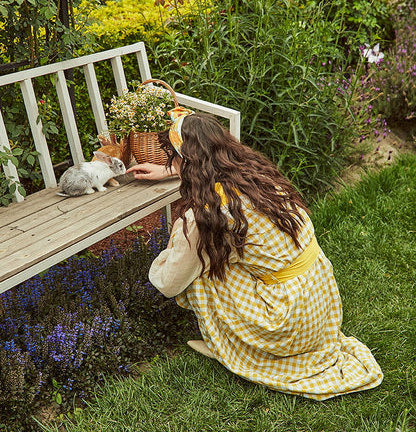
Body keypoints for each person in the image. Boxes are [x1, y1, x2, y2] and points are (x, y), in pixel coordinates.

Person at [127, 108, 383, 401]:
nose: (170, 163)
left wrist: (174, 241)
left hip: (287, 322)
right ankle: (239, 335)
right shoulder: (254, 175)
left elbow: (168, 282)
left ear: (189, 163)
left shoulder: (210, 214)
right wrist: (170, 172)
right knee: (222, 254)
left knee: (202, 270)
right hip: (319, 304)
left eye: (173, 158)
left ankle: (231, 343)